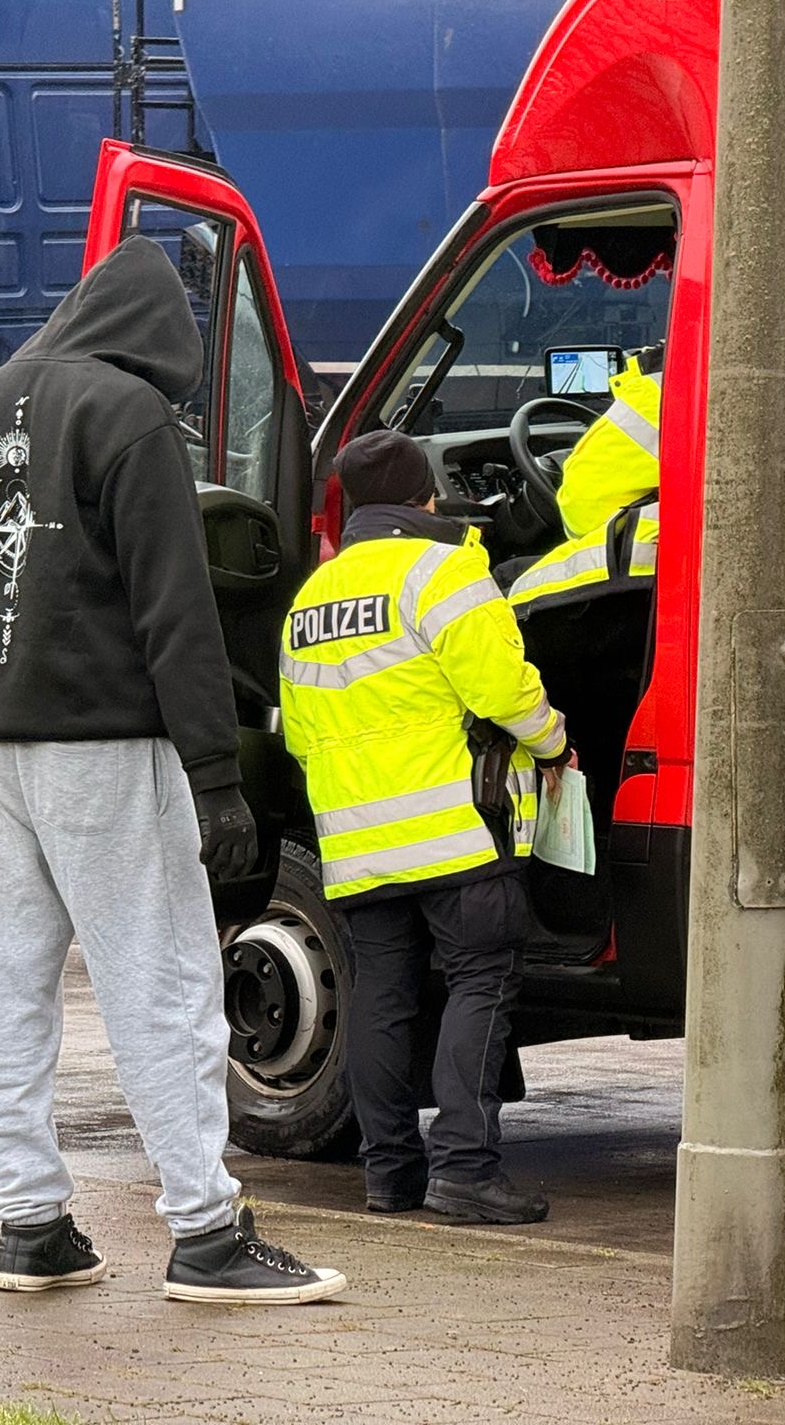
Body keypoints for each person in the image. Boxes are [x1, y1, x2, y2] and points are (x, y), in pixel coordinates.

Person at [0, 235, 346, 1304]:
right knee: (162, 983)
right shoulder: (129, 416)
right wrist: (214, 775)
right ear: (160, 341)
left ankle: (29, 1223)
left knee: (14, 989)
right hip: (105, 744)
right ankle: (205, 1231)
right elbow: (175, 611)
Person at [280, 430, 570, 1225]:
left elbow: (301, 735)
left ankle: (390, 1178)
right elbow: (503, 690)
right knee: (481, 981)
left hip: (357, 842)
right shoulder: (444, 571)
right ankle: (467, 1171)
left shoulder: (312, 597)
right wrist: (554, 742)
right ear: (426, 498)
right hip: (457, 833)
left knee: (382, 995)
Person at [505, 351, 661, 615]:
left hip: (651, 569)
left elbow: (581, 513)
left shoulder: (661, 389)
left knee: (507, 584)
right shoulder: (713, 377)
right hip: (678, 561)